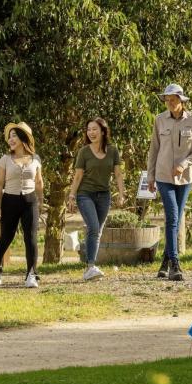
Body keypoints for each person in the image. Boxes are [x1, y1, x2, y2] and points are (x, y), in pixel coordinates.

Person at [146, 83, 192, 282]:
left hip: (184, 178)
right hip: (163, 176)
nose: (169, 103)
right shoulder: (159, 120)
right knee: (171, 218)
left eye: (173, 100)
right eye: (167, 100)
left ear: (182, 101)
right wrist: (150, 176)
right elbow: (153, 149)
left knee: (176, 220)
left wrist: (184, 164)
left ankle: (164, 262)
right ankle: (175, 265)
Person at [66, 117, 125, 282]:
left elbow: (118, 174)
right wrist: (71, 196)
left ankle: (90, 268)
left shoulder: (112, 151)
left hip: (104, 195)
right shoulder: (84, 152)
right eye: (89, 129)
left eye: (95, 129)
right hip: (85, 194)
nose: (91, 132)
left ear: (103, 131)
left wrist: (121, 194)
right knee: (92, 227)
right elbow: (78, 177)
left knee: (97, 231)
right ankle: (91, 266)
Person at [0, 123, 43, 288]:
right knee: (7, 236)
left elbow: (39, 182)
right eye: (9, 136)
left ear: (23, 138)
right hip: (9, 200)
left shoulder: (36, 159)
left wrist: (40, 201)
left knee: (31, 237)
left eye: (14, 136)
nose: (10, 139)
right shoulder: (5, 159)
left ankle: (31, 274)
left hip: (30, 201)